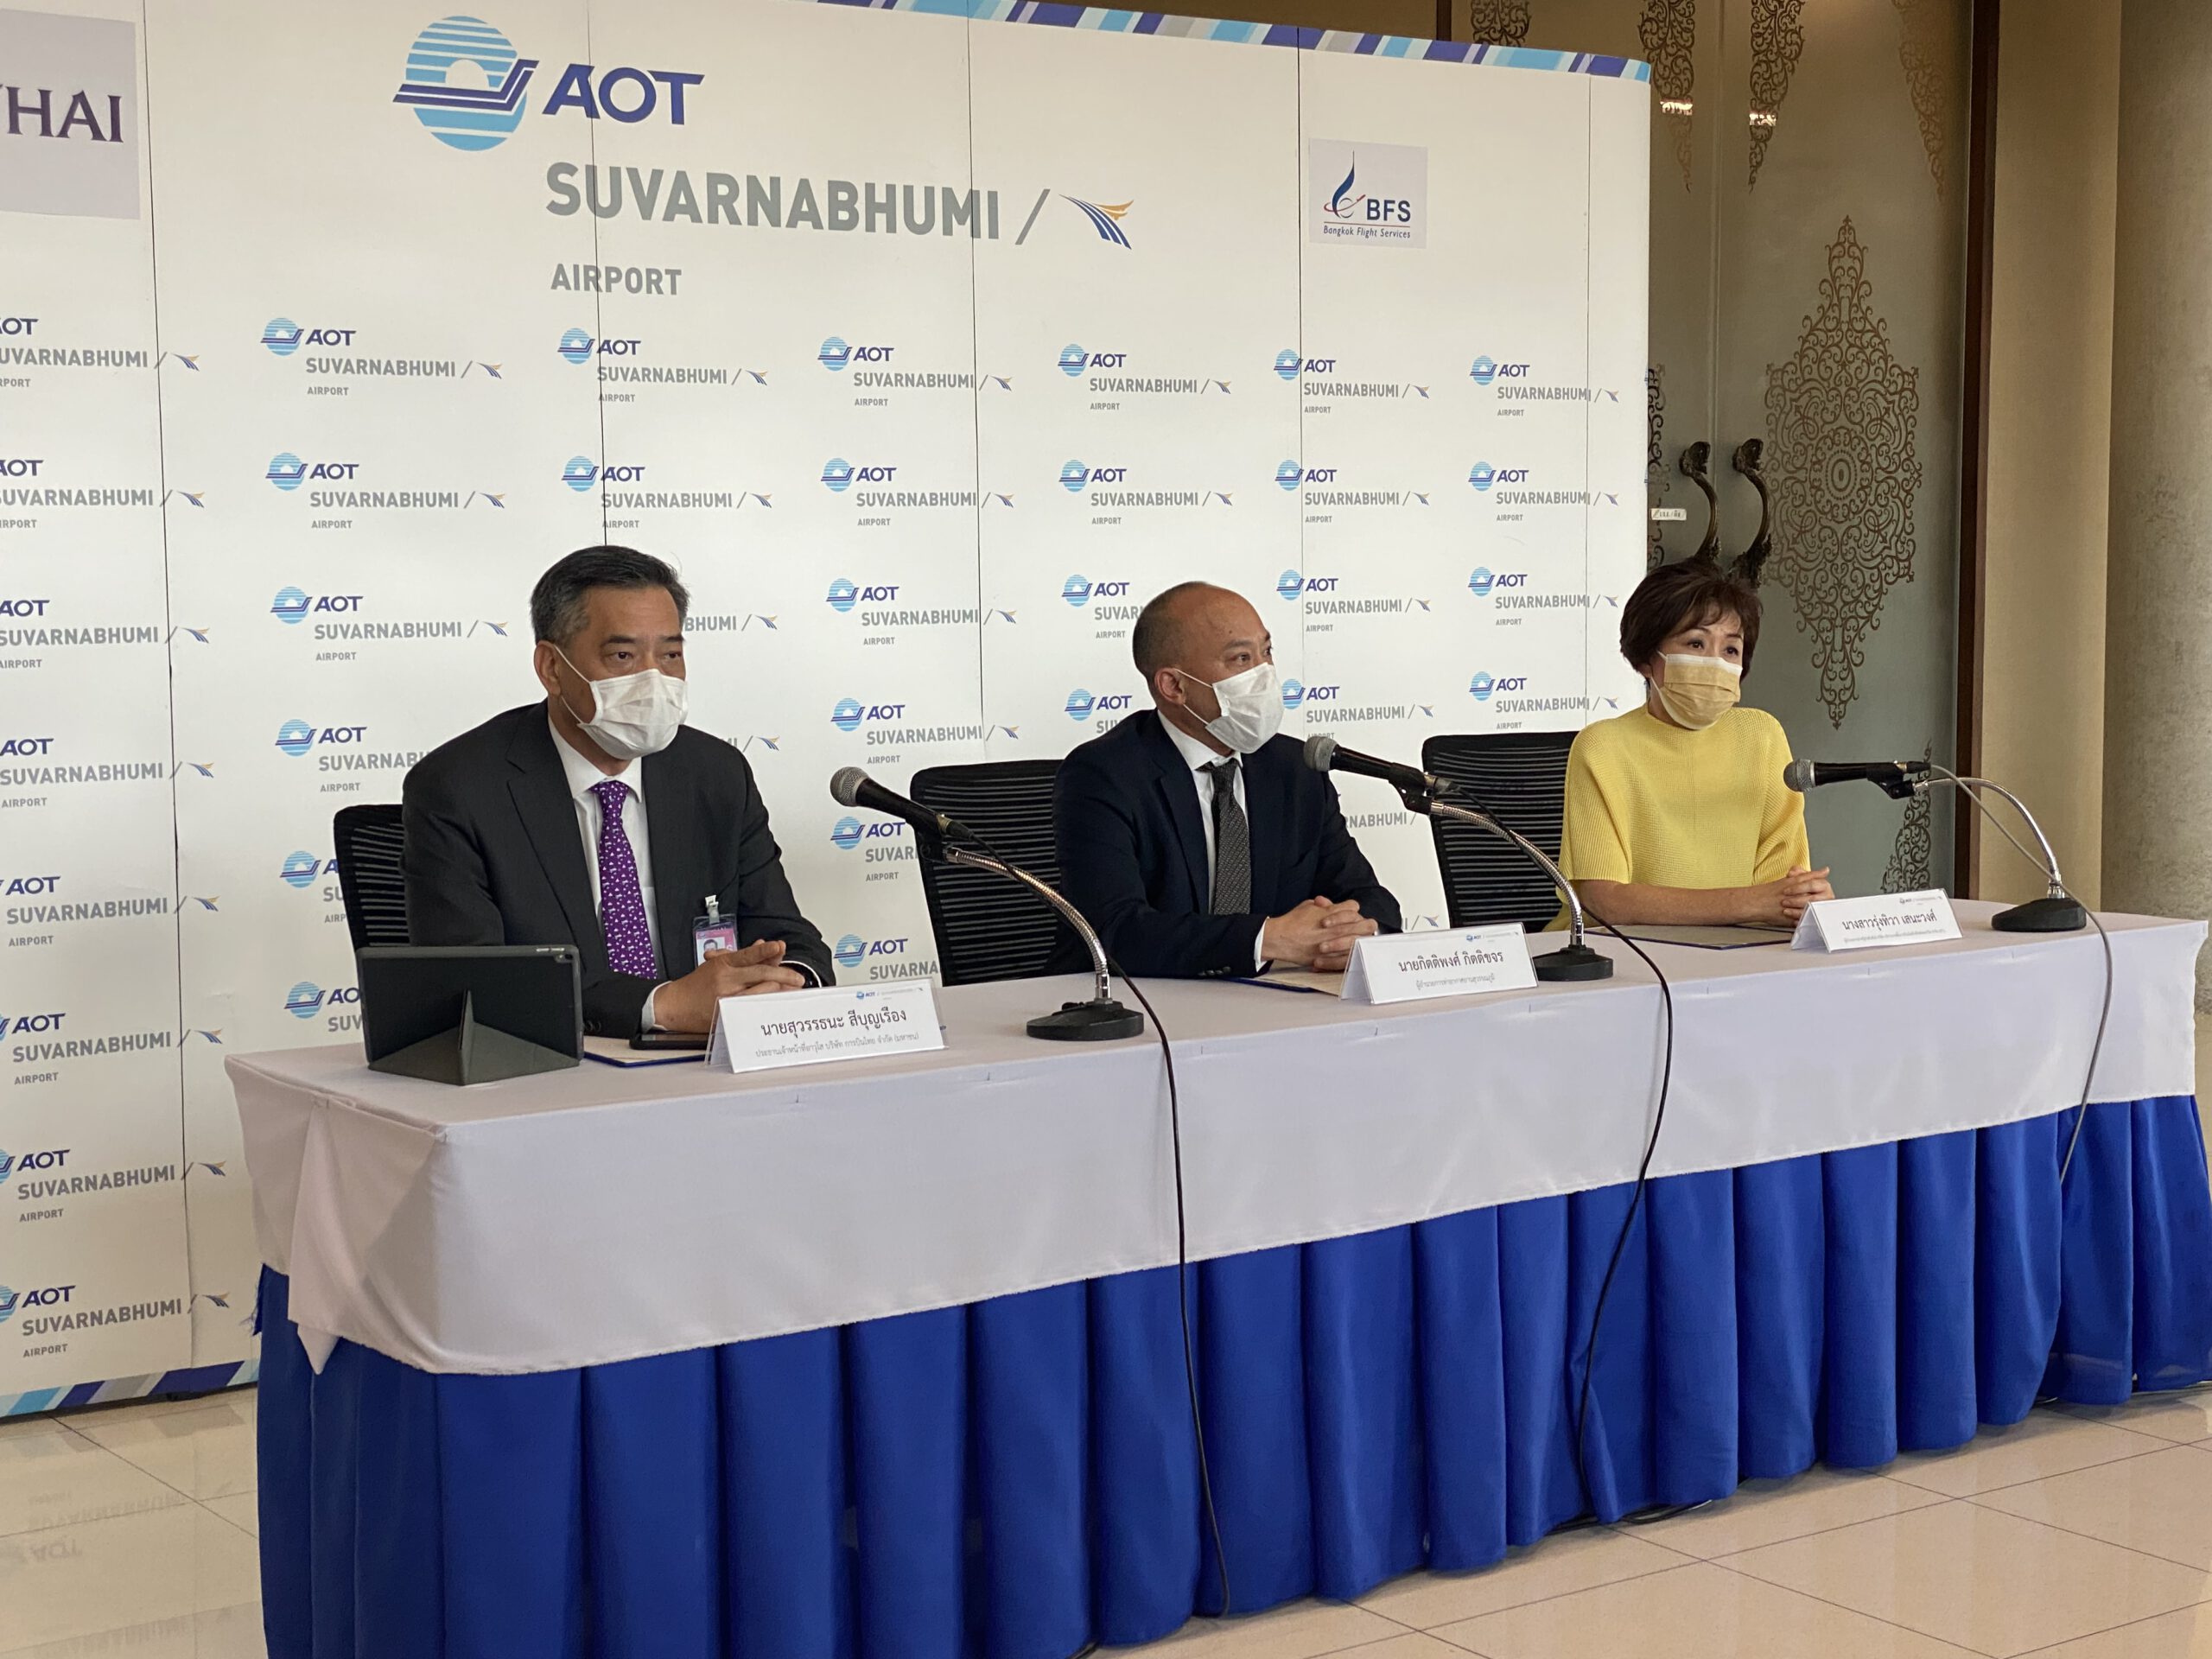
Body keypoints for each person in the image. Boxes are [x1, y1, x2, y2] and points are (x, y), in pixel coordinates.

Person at [403, 545, 832, 1036]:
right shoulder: (461, 788)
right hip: (555, 1064)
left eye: (670, 655)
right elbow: (475, 981)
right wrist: (660, 1006)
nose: (654, 679)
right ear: (551, 667)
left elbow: (788, 938)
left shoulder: (715, 774)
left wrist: (782, 985)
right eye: (623, 656)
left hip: (707, 1060)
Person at [1054, 581, 1401, 977]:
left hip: (1272, 999)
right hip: (1137, 1001)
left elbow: (1369, 899)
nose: (1264, 674)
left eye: (1266, 652)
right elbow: (1114, 931)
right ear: (1174, 686)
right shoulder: (1104, 775)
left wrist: (1355, 934)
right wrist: (1267, 939)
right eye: (1241, 658)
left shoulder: (1296, 768)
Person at [1558, 557, 1833, 928]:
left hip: (1736, 949)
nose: (1714, 663)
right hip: (1623, 952)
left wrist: (1801, 900)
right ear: (1647, 659)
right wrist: (1751, 903)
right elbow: (1603, 901)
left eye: (1730, 650)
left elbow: (1779, 892)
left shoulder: (1762, 735)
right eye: (1696, 643)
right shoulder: (1602, 746)